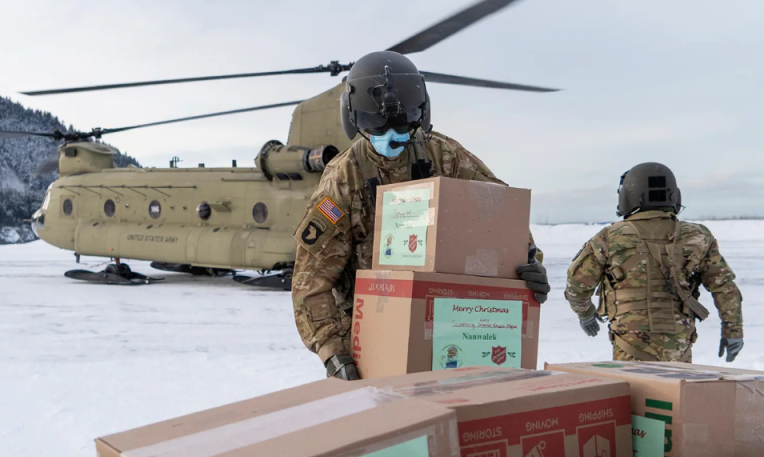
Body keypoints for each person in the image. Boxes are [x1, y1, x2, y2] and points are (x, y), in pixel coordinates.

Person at [291, 51, 549, 380]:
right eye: (376, 125)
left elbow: (499, 212)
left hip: (449, 326)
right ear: (354, 119)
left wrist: (528, 260)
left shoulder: (445, 157)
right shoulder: (342, 181)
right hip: (372, 334)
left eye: (403, 124)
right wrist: (334, 354)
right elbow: (310, 282)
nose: (391, 136)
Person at [564, 162, 743, 362]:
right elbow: (724, 287)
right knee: (675, 391)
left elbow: (577, 285)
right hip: (678, 347)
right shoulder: (697, 236)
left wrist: (586, 313)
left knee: (635, 391)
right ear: (674, 195)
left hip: (630, 346)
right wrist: (733, 330)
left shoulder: (610, 237)